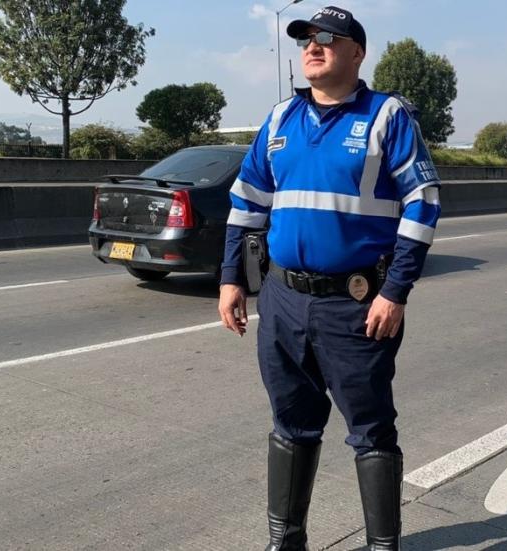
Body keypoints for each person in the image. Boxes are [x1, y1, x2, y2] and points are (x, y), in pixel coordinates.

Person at [216, 6, 441, 550]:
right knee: (291, 423)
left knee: (370, 429)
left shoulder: (387, 116)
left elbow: (424, 201)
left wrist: (396, 290)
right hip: (283, 300)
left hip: (357, 305)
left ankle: (382, 546)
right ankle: (286, 542)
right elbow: (247, 202)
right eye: (306, 40)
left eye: (328, 39)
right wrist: (231, 280)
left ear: (357, 52)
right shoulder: (279, 120)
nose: (312, 47)